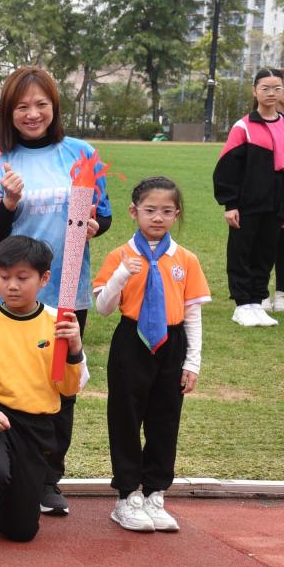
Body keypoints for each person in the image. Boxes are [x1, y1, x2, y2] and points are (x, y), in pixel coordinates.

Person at [0, 66, 112, 516]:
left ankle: (48, 477)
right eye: (22, 107)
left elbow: (103, 214)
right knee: (9, 383)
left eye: (40, 105)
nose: (32, 114)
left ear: (54, 106)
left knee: (60, 385)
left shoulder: (81, 153)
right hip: (10, 296)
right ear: (8, 112)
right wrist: (9, 202)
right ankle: (6, 471)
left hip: (66, 293)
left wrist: (95, 225)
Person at [0, 236, 87, 548]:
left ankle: (4, 493)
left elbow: (70, 388)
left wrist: (75, 349)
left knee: (20, 531)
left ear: (44, 278)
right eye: (4, 277)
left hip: (37, 426)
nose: (12, 285)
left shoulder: (59, 323)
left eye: (22, 278)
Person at [93, 178, 210, 532]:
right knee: (125, 418)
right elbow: (103, 308)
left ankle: (155, 493)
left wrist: (192, 362)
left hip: (172, 344)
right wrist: (120, 277)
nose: (158, 217)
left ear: (177, 214)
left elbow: (192, 313)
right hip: (132, 341)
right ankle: (127, 496)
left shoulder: (185, 259)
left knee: (165, 419)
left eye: (167, 211)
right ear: (134, 211)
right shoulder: (120, 256)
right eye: (150, 210)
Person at [213, 66, 284, 327]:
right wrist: (230, 204)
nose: (271, 93)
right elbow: (227, 167)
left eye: (277, 88)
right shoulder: (243, 126)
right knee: (242, 252)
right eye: (265, 88)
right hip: (248, 203)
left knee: (266, 253)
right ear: (255, 91)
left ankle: (256, 302)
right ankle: (242, 305)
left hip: (276, 204)